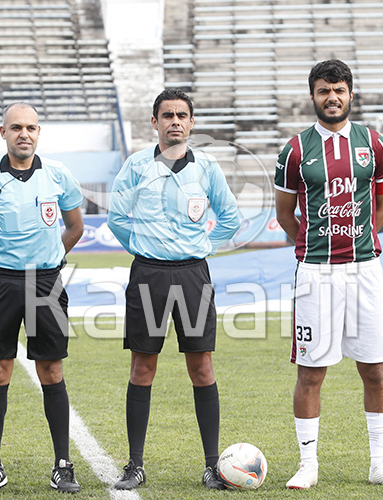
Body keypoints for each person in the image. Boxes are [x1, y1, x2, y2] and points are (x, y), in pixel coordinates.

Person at [274, 60, 383, 489]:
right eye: (323, 91)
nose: (331, 97)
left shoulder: (375, 144)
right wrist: (317, 244)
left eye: (338, 90)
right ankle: (308, 465)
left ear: (351, 93)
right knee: (311, 372)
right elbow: (285, 214)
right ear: (312, 96)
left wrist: (357, 240)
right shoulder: (294, 150)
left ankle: (379, 464)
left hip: (365, 269)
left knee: (375, 368)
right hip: (315, 273)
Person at [107, 88, 240, 490]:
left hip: (193, 275)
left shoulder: (207, 167)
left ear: (192, 122)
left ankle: (213, 465)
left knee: (201, 367)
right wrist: (144, 250)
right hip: (149, 275)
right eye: (168, 115)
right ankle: (135, 464)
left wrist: (202, 248)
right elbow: (117, 218)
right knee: (142, 367)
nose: (175, 122)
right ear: (155, 122)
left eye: (182, 115)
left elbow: (230, 218)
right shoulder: (136, 165)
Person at [0, 102, 85, 495]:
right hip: (1, 284)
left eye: (30, 127)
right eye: (16, 128)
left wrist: (52, 260)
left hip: (46, 283)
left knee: (52, 370)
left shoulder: (58, 174)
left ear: (38, 132)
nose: (23, 134)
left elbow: (75, 226)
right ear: (4, 133)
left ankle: (63, 464)